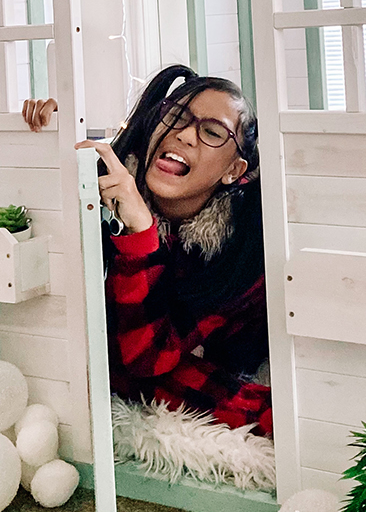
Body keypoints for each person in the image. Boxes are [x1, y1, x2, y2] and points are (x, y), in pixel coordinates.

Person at [23, 64, 271, 434]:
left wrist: (141, 232)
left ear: (234, 170)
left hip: (230, 352)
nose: (185, 134)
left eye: (213, 132)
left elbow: (145, 361)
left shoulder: (238, 247)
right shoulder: (115, 183)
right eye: (176, 116)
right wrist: (56, 132)